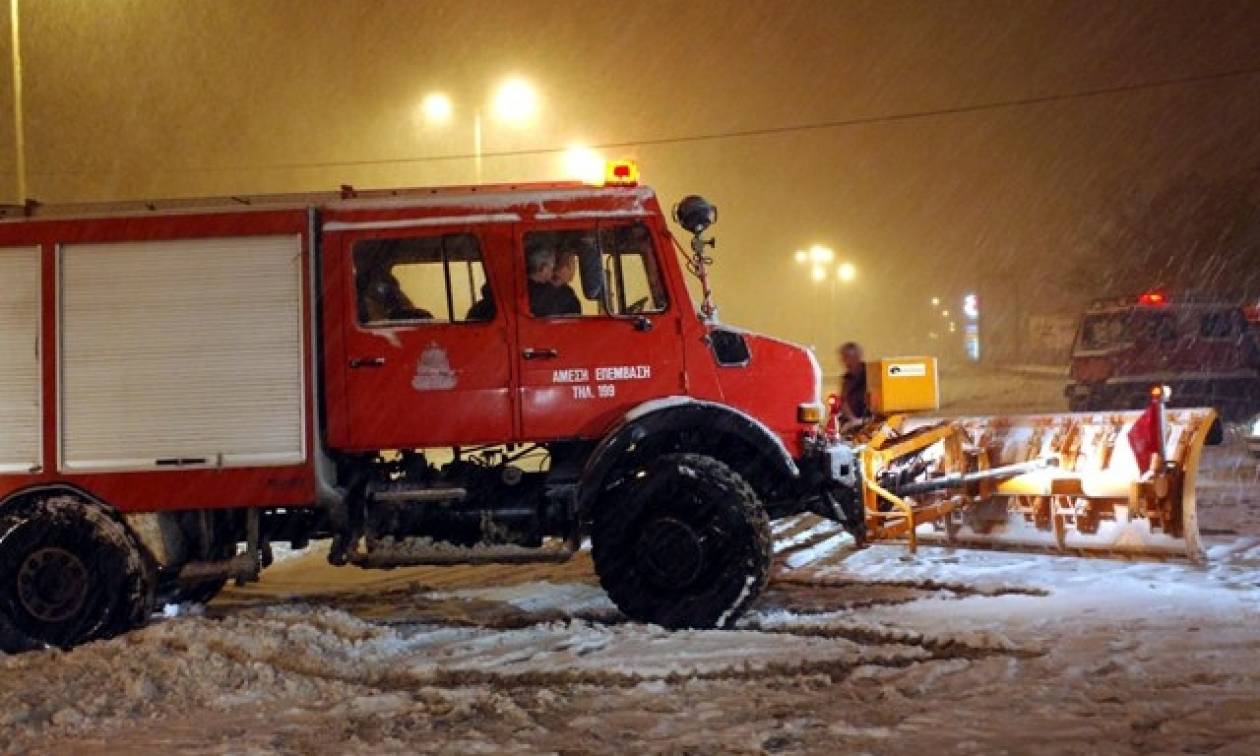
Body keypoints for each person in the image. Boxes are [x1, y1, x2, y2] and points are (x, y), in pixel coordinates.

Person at [525, 241, 558, 316]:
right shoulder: (547, 292)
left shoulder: (519, 286)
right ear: (544, 269)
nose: (554, 272)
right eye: (552, 267)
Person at [838, 341, 869, 420]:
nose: (847, 361)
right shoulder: (846, 378)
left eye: (849, 357)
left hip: (868, 419)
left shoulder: (869, 374)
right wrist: (852, 419)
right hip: (852, 420)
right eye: (844, 357)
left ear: (858, 357)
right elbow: (843, 401)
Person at [548, 248, 583, 316]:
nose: (574, 269)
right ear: (563, 267)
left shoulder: (539, 288)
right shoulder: (567, 296)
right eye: (572, 264)